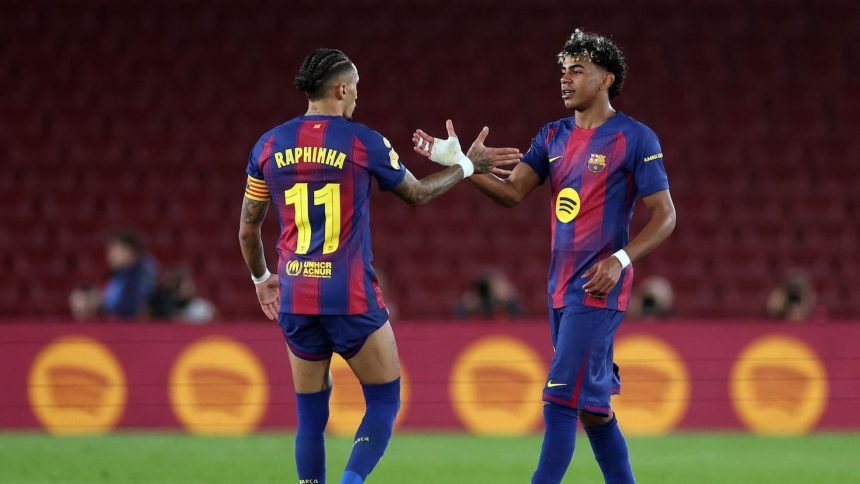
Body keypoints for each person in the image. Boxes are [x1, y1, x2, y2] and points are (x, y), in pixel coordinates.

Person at [237, 48, 521, 484]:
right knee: (384, 400)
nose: (358, 98)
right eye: (356, 89)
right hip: (348, 294)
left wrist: (261, 279)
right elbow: (417, 194)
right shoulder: (361, 141)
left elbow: (247, 229)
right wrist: (466, 165)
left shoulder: (268, 145)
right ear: (341, 89)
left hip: (295, 293)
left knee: (310, 416)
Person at [414, 29, 676, 484]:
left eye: (578, 70)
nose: (565, 79)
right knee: (593, 410)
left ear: (607, 79)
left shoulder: (635, 138)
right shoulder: (552, 136)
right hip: (559, 289)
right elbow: (512, 192)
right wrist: (463, 166)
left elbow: (666, 215)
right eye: (563, 70)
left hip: (597, 289)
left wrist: (620, 260)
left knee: (558, 399)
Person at [68, 229, 158, 321]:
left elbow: (131, 307)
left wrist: (97, 303)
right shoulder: (119, 274)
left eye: (114, 251)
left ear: (129, 251)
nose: (110, 256)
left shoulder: (141, 272)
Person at [455, 268, 523, 320]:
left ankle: (518, 324)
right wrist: (472, 302)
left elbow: (510, 298)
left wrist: (502, 297)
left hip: (499, 304)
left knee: (513, 306)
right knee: (462, 309)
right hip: (482, 305)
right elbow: (470, 301)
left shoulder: (503, 287)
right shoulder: (479, 289)